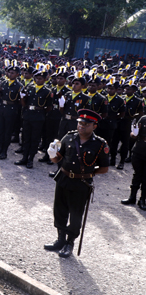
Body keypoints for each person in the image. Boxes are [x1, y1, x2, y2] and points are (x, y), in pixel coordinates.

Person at [45, 109, 109, 258]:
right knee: (59, 211)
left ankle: (69, 243)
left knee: (75, 216)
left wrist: (90, 174)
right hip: (63, 178)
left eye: (86, 124)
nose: (81, 126)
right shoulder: (69, 137)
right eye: (80, 123)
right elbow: (58, 158)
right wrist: (52, 155)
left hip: (81, 184)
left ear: (94, 126)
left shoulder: (100, 144)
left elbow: (104, 168)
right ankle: (60, 240)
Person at [15, 70, 53, 169]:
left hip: (38, 117)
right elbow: (24, 103)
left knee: (34, 139)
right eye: (36, 78)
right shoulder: (29, 87)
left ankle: (31, 159)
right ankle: (24, 157)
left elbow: (49, 107)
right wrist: (22, 97)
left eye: (40, 79)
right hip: (28, 115)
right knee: (26, 137)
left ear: (45, 79)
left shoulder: (47, 91)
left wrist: (40, 112)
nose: (37, 80)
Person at [122, 114, 146, 209]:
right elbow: (133, 135)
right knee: (137, 175)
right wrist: (134, 133)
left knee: (145, 178)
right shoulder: (144, 119)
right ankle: (132, 197)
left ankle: (142, 200)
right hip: (139, 151)